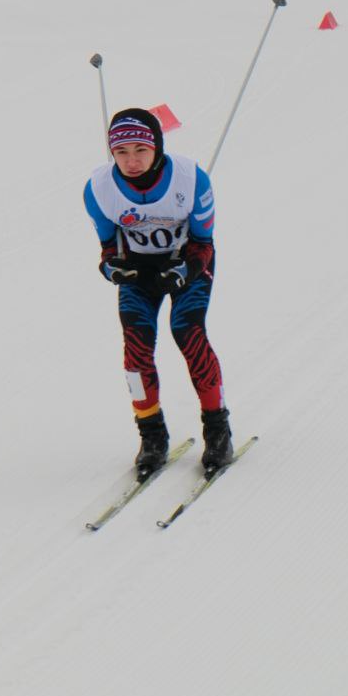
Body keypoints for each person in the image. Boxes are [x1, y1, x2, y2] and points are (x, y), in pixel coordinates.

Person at [84, 107, 234, 480]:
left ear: (157, 148)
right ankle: (151, 435)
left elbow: (204, 240)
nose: (131, 161)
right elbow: (107, 248)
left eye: (140, 150)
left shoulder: (191, 178)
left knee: (187, 330)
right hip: (139, 269)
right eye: (121, 153)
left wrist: (187, 268)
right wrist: (111, 267)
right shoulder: (99, 189)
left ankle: (217, 429)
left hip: (186, 262)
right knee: (136, 346)